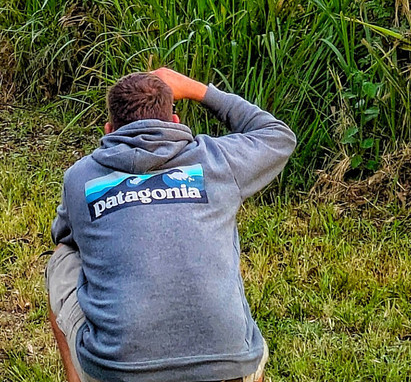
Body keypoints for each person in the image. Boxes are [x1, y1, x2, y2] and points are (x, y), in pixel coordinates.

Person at [46, 67, 296, 382]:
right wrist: (199, 90)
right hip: (229, 361)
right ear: (175, 122)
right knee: (240, 343)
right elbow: (278, 135)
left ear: (110, 129)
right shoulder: (219, 160)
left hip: (118, 368)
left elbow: (66, 236)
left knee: (63, 257)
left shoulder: (80, 177)